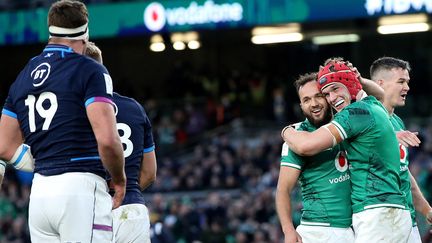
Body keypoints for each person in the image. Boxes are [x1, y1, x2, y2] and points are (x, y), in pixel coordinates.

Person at [0, 1, 126, 242]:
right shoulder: (90, 69)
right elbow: (109, 141)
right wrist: (119, 180)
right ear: (85, 33)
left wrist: (39, 164)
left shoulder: (25, 73)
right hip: (80, 188)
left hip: (39, 195)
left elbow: (4, 146)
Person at [281, 59, 411, 242]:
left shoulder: (354, 114)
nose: (331, 98)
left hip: (376, 213)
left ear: (350, 84)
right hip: (391, 212)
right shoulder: (372, 105)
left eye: (335, 89)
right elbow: (381, 95)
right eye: (326, 93)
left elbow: (305, 145)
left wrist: (286, 131)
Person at [86, 42, 157, 243]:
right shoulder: (135, 108)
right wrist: (123, 195)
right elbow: (150, 174)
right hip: (132, 208)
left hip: (91, 212)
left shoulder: (77, 110)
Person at [276, 72, 353, 243]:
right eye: (306, 100)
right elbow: (283, 190)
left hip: (354, 228)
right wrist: (288, 230)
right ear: (301, 106)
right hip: (320, 231)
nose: (314, 104)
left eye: (318, 96)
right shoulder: (296, 138)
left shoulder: (347, 125)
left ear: (328, 97)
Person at [370, 56, 432, 242]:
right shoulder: (364, 117)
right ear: (380, 84)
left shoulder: (397, 122)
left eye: (407, 82)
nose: (407, 87)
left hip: (406, 219)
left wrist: (427, 210)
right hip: (377, 220)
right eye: (401, 81)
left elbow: (403, 173)